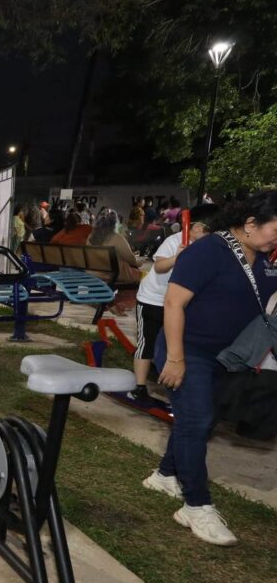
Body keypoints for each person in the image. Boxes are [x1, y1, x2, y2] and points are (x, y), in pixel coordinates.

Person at [145, 192, 277, 546]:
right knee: (197, 420)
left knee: (199, 419)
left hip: (228, 356)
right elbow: (173, 303)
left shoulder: (265, 258)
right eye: (276, 229)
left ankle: (165, 475)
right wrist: (176, 359)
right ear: (251, 223)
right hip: (188, 350)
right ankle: (196, 505)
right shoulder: (207, 251)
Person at [131, 203, 216, 403]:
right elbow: (159, 266)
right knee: (146, 342)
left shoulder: (208, 247)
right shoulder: (175, 240)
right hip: (153, 299)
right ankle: (139, 386)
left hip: (179, 304)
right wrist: (177, 257)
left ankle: (170, 379)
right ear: (197, 228)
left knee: (175, 342)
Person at [86, 208, 143, 315]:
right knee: (140, 278)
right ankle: (118, 304)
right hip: (112, 275)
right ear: (115, 223)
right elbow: (130, 259)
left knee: (131, 277)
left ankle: (109, 303)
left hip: (93, 273)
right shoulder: (117, 238)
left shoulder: (91, 237)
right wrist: (139, 262)